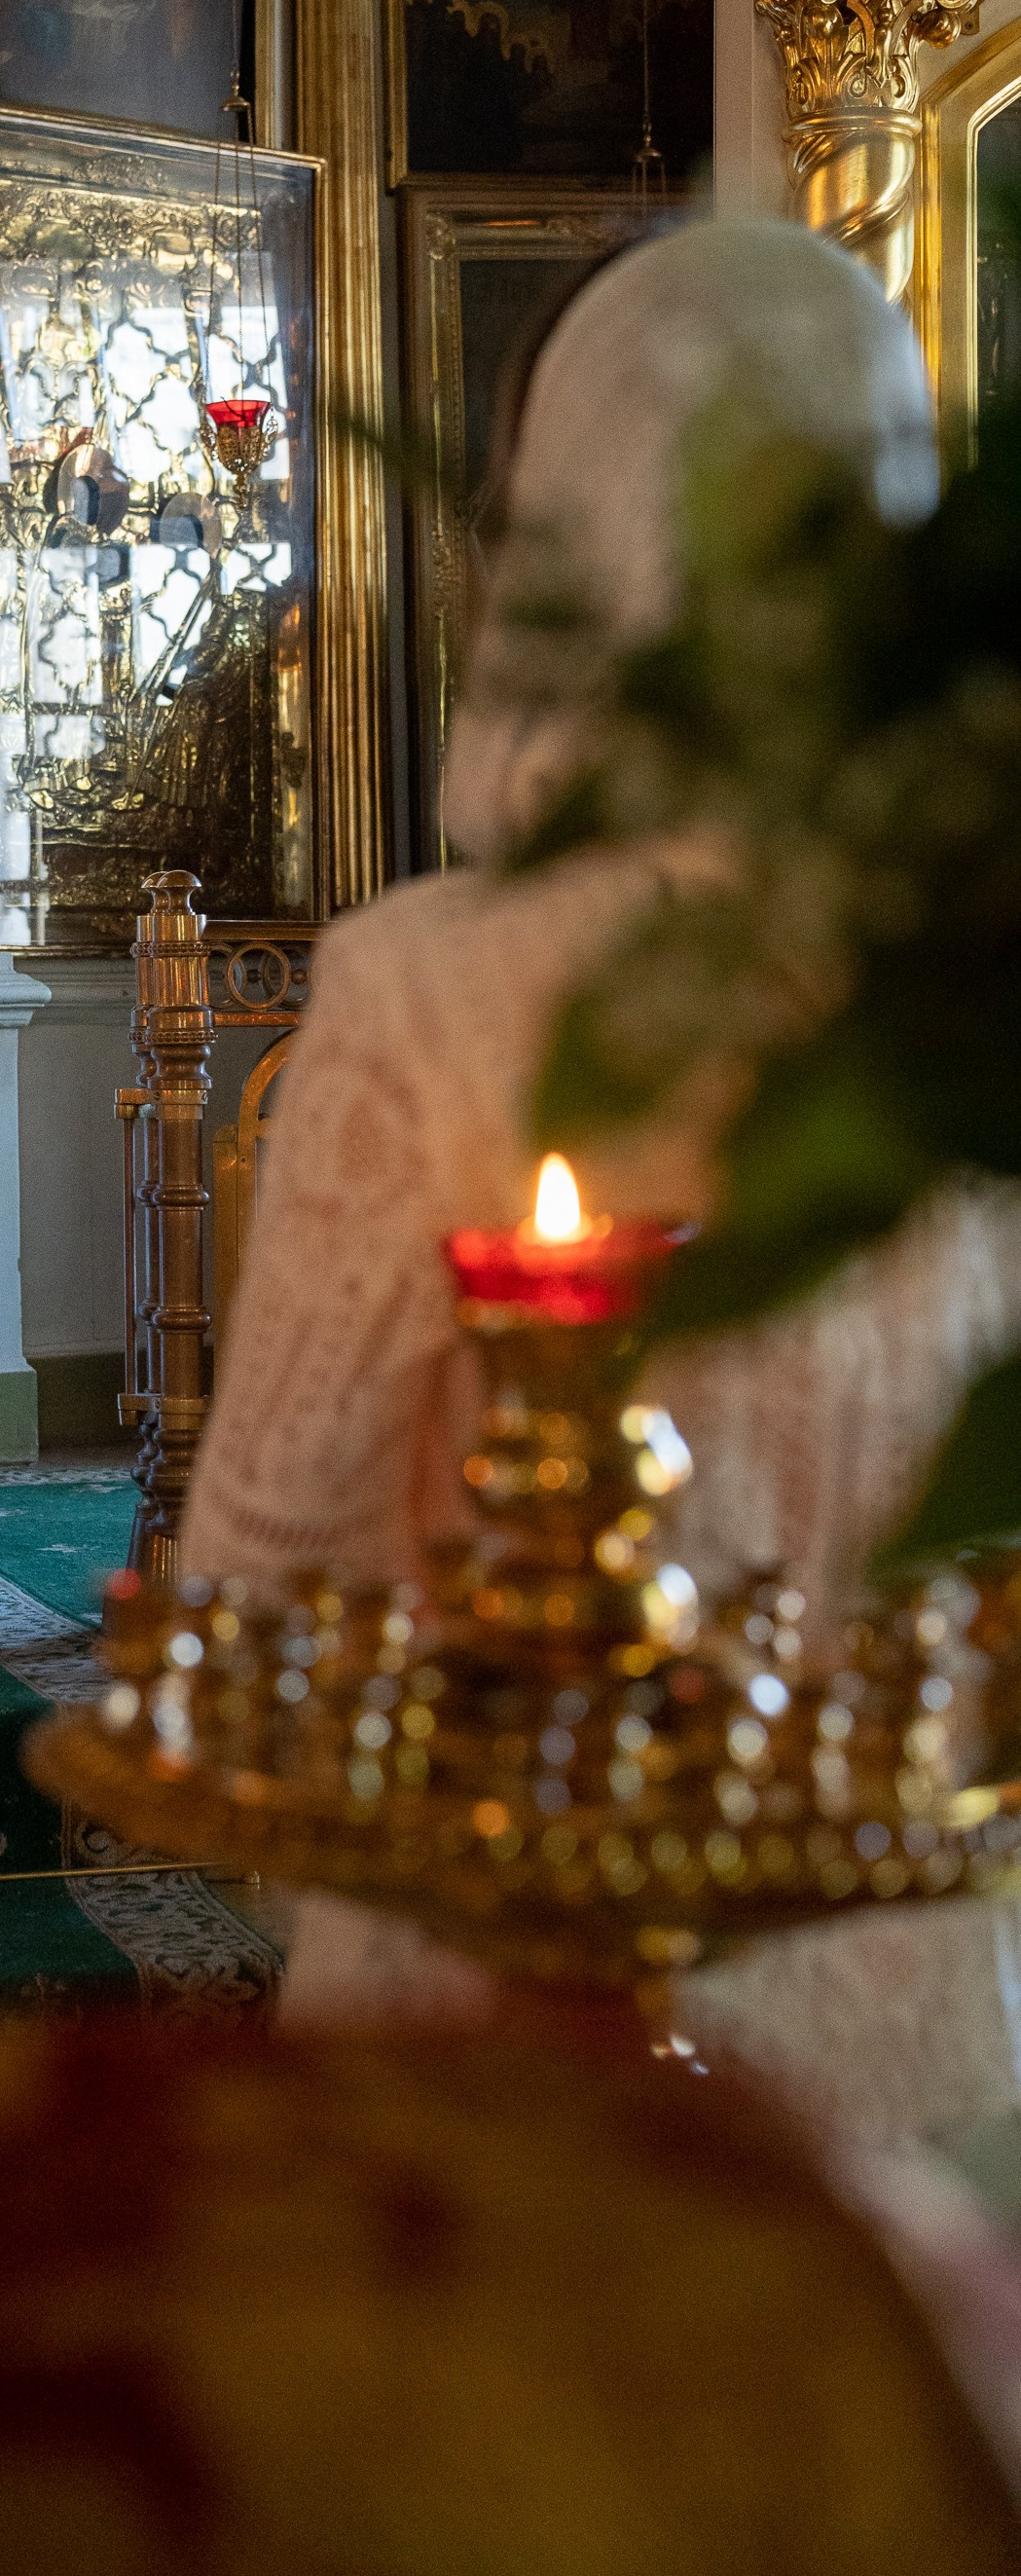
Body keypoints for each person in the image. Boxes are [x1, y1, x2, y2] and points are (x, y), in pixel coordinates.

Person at [183, 218, 1021, 2141]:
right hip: (931, 2033)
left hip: (501, 2029)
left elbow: (255, 1595)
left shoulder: (427, 994)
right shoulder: (974, 992)